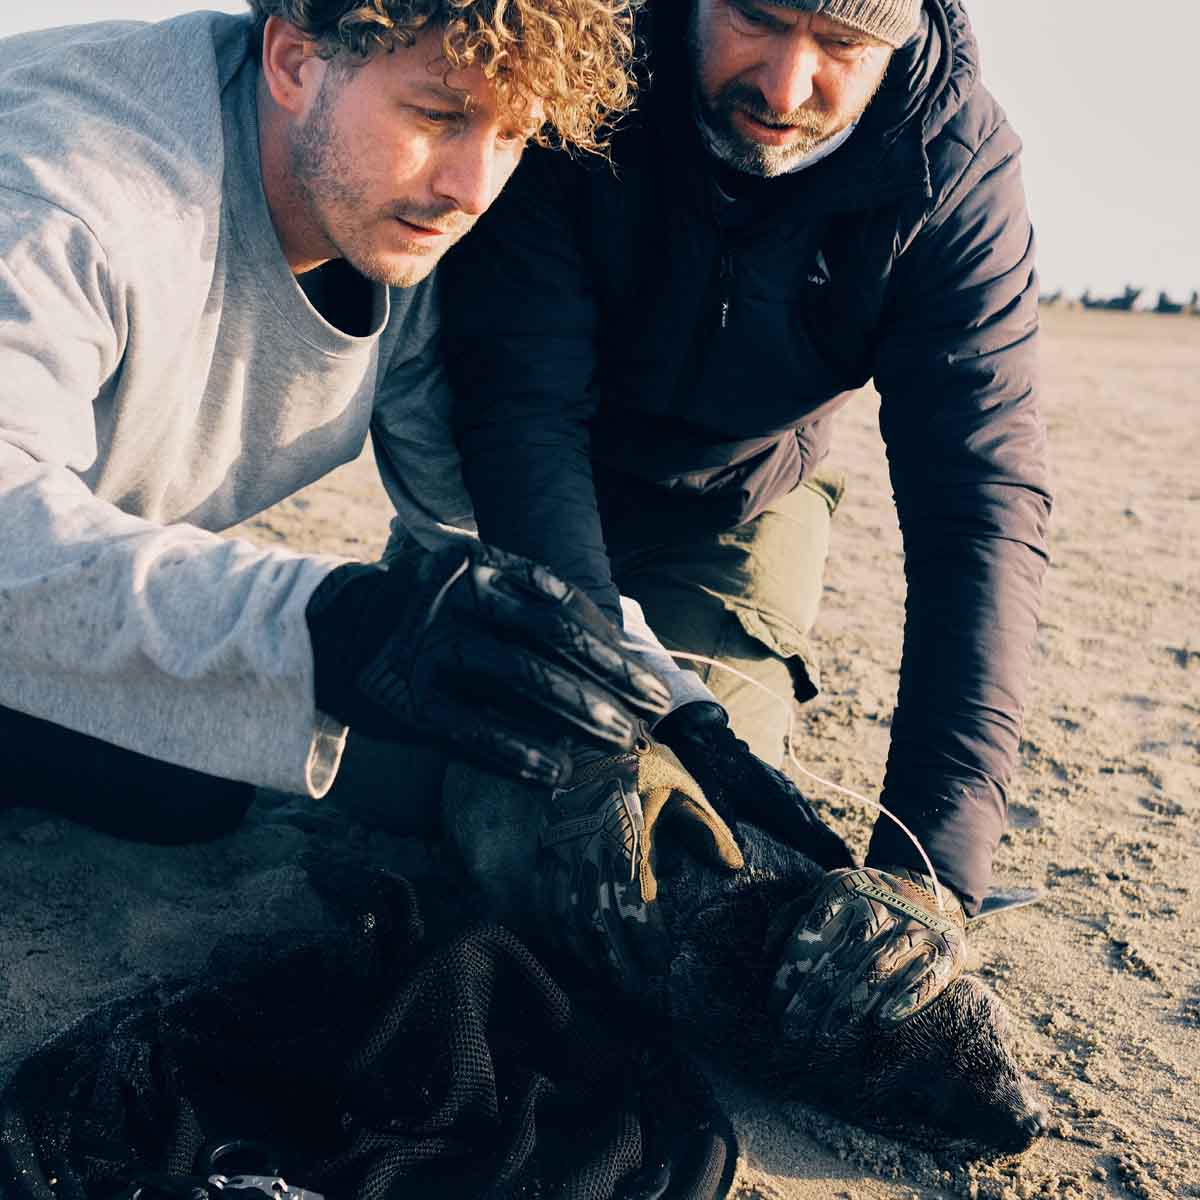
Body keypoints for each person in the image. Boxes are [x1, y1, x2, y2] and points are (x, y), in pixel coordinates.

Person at [0, 0, 679, 844]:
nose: (471, 189)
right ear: (292, 63)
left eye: (512, 137)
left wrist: (676, 708)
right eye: (438, 115)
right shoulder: (67, 190)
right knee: (204, 754)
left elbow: (478, 524)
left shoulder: (403, 227)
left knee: (204, 778)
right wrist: (332, 623)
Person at [439, 0, 1052, 923]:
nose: (784, 84)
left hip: (743, 504)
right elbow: (523, 408)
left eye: (843, 44)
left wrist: (930, 874)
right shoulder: (582, 58)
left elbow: (979, 504)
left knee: (690, 838)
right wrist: (604, 706)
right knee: (499, 780)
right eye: (758, 18)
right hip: (522, 480)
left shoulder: (956, 167)